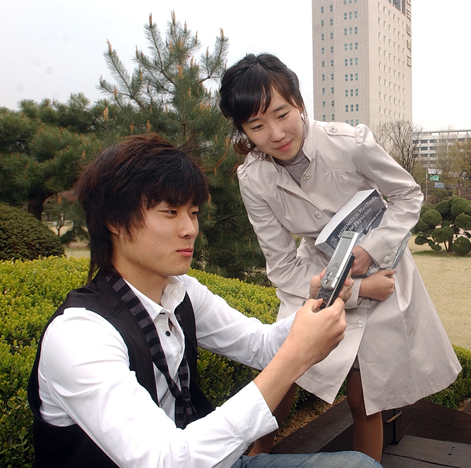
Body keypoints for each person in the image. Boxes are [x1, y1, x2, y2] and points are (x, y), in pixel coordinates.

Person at [27, 133, 382, 468]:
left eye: (193, 212)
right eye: (170, 212)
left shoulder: (180, 291)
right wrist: (293, 359)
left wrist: (313, 308)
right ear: (114, 222)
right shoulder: (80, 336)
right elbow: (166, 460)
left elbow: (259, 345)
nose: (190, 229)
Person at [218, 53, 461, 462]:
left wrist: (371, 250)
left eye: (282, 114)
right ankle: (252, 458)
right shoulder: (253, 178)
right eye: (257, 126)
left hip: (381, 262)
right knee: (282, 371)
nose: (276, 134)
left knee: (364, 396)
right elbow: (281, 267)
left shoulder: (349, 143)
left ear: (298, 102)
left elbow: (408, 195)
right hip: (316, 274)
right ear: (243, 130)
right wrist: (357, 288)